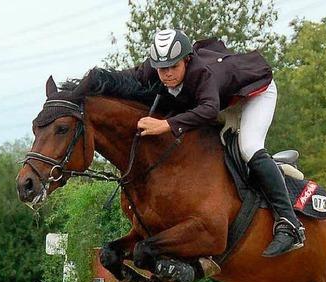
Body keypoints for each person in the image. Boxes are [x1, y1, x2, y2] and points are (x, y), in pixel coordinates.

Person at [124, 29, 305, 257]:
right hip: (225, 99)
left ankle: (290, 223)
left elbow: (208, 110)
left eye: (173, 67)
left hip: (255, 93)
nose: (167, 74)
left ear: (187, 60)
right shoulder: (157, 67)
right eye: (162, 69)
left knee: (249, 147)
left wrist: (165, 125)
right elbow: (126, 78)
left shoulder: (202, 72)